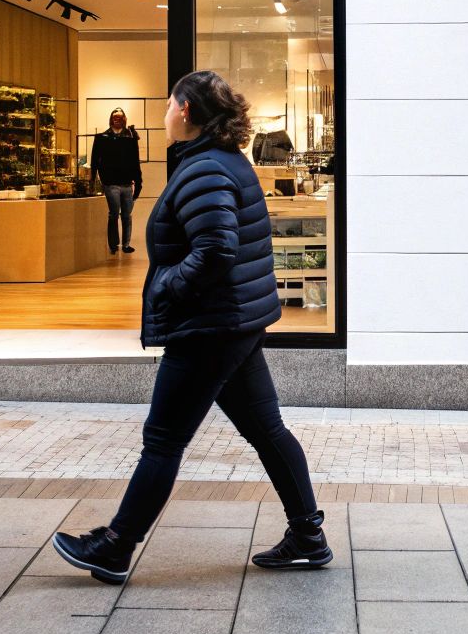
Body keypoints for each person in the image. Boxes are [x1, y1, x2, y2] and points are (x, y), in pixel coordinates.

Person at [53, 71, 328, 585]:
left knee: (163, 440)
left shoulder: (206, 169)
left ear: (186, 111)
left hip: (210, 325)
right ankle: (308, 536)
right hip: (232, 321)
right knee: (266, 430)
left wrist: (167, 287)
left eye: (168, 104)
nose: (163, 114)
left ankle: (115, 546)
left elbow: (217, 249)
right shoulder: (222, 160)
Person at [90, 107, 143, 255]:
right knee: (114, 214)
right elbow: (94, 161)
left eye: (120, 117)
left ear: (124, 119)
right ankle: (113, 244)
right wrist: (94, 179)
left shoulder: (130, 139)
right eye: (115, 117)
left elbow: (135, 162)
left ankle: (126, 244)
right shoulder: (102, 138)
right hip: (111, 183)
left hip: (127, 183)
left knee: (127, 215)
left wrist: (138, 183)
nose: (117, 120)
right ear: (111, 119)